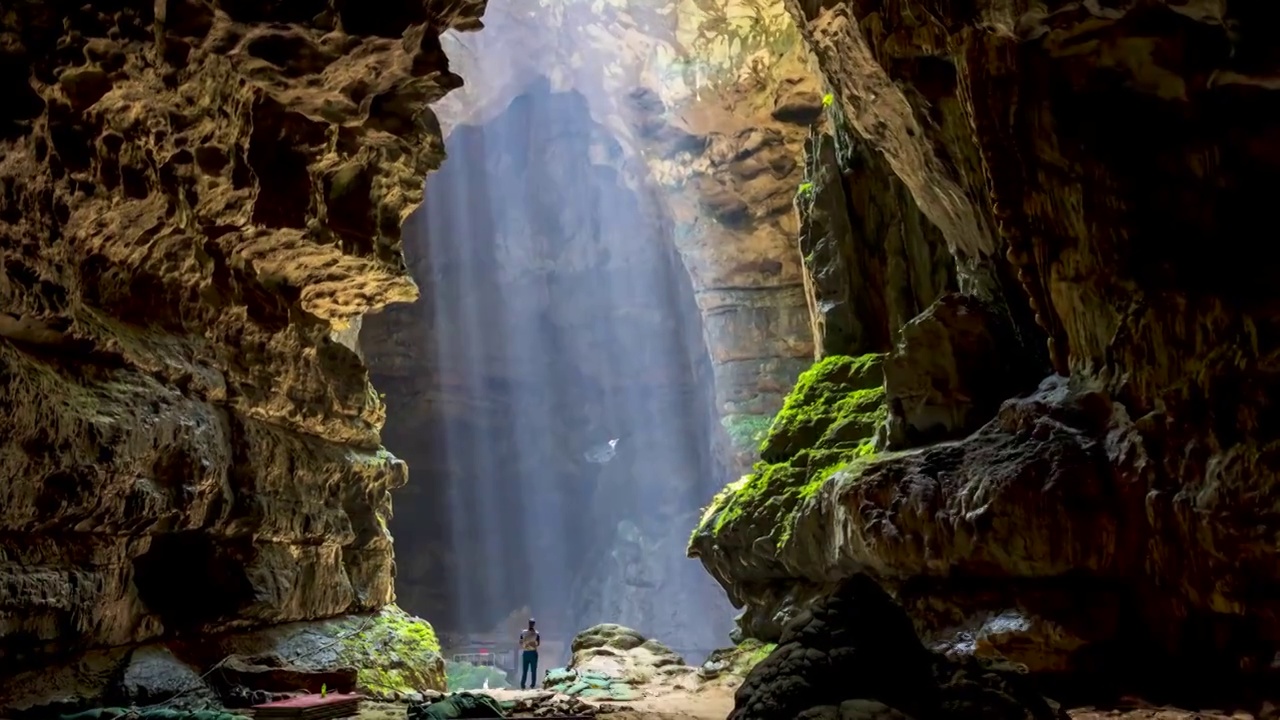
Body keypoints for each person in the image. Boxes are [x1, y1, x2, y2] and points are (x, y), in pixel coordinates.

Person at [518, 618, 541, 689]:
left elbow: (520, 642)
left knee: (529, 670)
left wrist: (526, 643)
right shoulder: (535, 633)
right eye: (531, 623)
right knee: (530, 670)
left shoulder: (525, 633)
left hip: (528, 652)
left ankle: (526, 684)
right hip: (530, 652)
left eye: (532, 623)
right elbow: (538, 643)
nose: (531, 624)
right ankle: (528, 685)